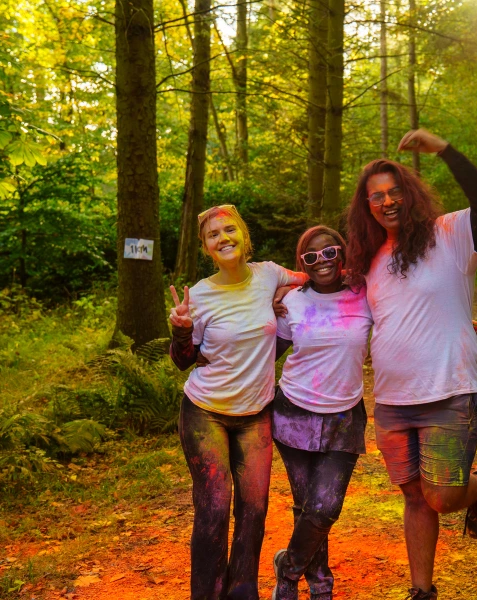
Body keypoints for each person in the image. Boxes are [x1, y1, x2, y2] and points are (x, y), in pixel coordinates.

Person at [344, 129, 477, 600]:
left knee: (443, 497)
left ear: (410, 194)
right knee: (415, 498)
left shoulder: (451, 234)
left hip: (450, 390)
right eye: (377, 196)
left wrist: (445, 150)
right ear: (367, 206)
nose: (387, 201)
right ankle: (421, 590)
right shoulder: (369, 259)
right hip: (393, 401)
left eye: (395, 192)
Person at [168, 204, 307, 600]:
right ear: (207, 248)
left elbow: (314, 278)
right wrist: (181, 331)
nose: (223, 238)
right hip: (205, 412)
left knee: (254, 510)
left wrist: (286, 292)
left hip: (256, 414)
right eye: (214, 235)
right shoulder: (200, 296)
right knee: (214, 508)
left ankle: (243, 590)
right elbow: (183, 362)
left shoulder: (269, 274)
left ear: (244, 237)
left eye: (229, 230)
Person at [269, 226, 372, 600]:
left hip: (345, 417)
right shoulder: (291, 301)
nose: (322, 261)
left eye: (329, 252)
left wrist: (457, 327)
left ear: (341, 253)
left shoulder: (365, 294)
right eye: (311, 257)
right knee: (307, 505)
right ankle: (320, 586)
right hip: (293, 414)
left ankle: (288, 569)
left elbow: (405, 319)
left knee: (326, 506)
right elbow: (268, 354)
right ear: (302, 264)